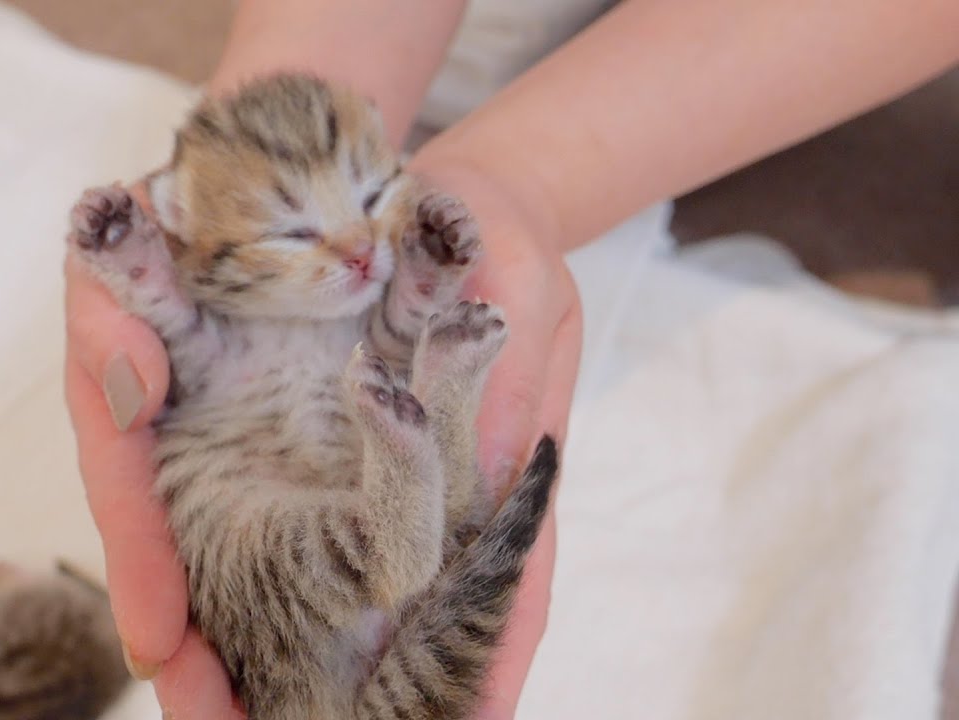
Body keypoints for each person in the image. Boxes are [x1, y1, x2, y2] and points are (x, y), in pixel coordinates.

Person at [62, 1, 959, 717]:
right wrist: (152, 281)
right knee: (263, 509)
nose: (358, 251)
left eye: (377, 195)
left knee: (380, 383)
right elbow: (191, 340)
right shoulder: (226, 281)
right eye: (293, 230)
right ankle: (413, 481)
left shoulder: (341, 287)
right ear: (187, 230)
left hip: (350, 499)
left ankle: (406, 494)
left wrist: (509, 187)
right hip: (312, 553)